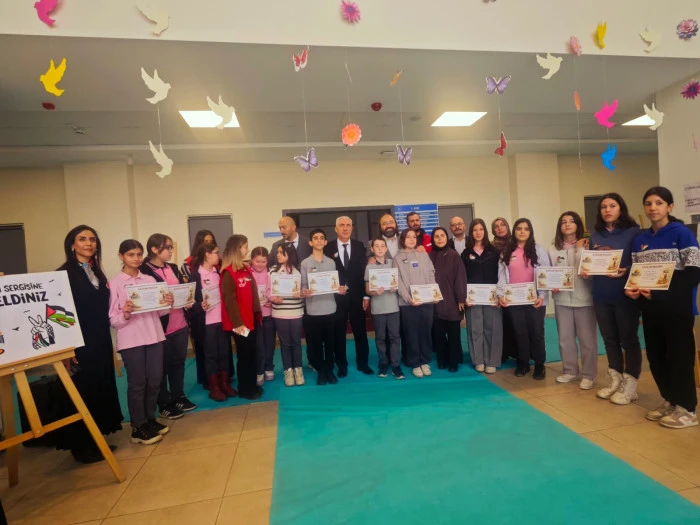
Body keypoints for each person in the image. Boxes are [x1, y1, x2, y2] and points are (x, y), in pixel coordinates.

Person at [626, 187, 700, 429]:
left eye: (659, 203)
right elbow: (637, 274)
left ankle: (687, 409)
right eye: (648, 203)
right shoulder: (640, 240)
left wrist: (661, 292)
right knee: (657, 358)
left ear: (670, 207)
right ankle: (670, 400)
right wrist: (632, 289)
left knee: (679, 358)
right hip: (651, 310)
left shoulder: (682, 234)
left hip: (677, 310)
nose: (653, 208)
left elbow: (694, 273)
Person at [56, 225, 123, 463]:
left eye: (92, 239)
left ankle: (96, 437)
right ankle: (81, 446)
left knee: (99, 386)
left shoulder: (96, 271)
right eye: (82, 239)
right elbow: (58, 314)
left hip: (100, 339)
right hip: (79, 344)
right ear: (72, 245)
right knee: (82, 389)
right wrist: (67, 348)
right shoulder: (63, 274)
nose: (88, 243)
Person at [109, 239, 174, 445]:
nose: (136, 258)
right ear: (121, 256)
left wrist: (167, 303)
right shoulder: (115, 283)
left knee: (154, 381)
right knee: (137, 384)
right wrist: (125, 313)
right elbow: (113, 319)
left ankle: (149, 419)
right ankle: (138, 427)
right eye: (131, 255)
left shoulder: (149, 279)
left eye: (138, 254)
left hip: (154, 336)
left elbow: (160, 312)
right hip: (131, 340)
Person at [586, 193, 642, 405]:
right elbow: (592, 262)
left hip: (625, 295)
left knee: (628, 339)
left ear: (621, 208)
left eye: (612, 206)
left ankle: (631, 384)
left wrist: (626, 269)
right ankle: (615, 379)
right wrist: (586, 269)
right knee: (609, 339)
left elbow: (640, 262)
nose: (607, 210)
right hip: (601, 294)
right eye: (603, 207)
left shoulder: (634, 233)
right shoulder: (595, 235)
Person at [140, 233, 197, 420]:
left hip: (179, 323)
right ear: (155, 249)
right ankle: (164, 403)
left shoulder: (172, 267)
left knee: (178, 363)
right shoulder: (144, 271)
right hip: (160, 327)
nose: (172, 251)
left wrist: (187, 299)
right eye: (168, 248)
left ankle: (178, 396)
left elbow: (180, 289)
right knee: (160, 368)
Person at [548, 212, 598, 390]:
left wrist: (579, 249)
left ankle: (588, 374)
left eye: (571, 221)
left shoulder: (588, 245)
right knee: (565, 339)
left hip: (584, 299)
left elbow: (589, 270)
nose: (567, 224)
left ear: (578, 225)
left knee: (587, 340)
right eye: (563, 222)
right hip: (561, 300)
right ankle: (570, 370)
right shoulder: (553, 249)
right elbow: (548, 272)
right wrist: (550, 284)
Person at [497, 218, 550, 380]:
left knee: (536, 332)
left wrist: (542, 295)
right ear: (514, 231)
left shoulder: (538, 250)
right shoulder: (507, 252)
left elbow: (545, 274)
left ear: (530, 232)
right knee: (520, 333)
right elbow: (502, 276)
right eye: (519, 228)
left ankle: (539, 365)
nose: (522, 231)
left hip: (535, 300)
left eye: (526, 229)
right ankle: (523, 363)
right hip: (515, 301)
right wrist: (501, 294)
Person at [324, 216, 373, 375]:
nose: (345, 228)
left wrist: (366, 296)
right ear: (336, 228)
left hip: (357, 296)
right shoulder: (328, 247)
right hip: (337, 297)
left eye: (348, 225)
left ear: (352, 228)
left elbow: (364, 271)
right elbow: (325, 273)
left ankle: (363, 363)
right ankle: (341, 365)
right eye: (342, 225)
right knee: (338, 332)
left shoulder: (359, 246)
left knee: (361, 331)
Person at [191, 242, 236, 402]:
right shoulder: (195, 275)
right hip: (206, 323)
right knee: (211, 356)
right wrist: (199, 305)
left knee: (224, 353)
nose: (219, 255)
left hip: (222, 320)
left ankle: (224, 383)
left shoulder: (219, 272)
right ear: (207, 254)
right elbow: (189, 301)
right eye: (216, 252)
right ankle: (214, 387)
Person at [301, 229, 347, 385]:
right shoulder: (305, 263)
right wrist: (305, 291)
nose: (319, 240)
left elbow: (333, 284)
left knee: (330, 342)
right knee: (316, 343)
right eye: (316, 238)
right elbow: (303, 286)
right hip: (313, 309)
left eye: (322, 238)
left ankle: (329, 370)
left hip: (329, 308)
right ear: (310, 242)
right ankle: (320, 371)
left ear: (326, 242)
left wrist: (340, 289)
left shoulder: (331, 262)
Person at [221, 235, 263, 400]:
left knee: (252, 354)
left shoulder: (245, 269)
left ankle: (251, 385)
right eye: (245, 246)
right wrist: (238, 324)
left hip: (251, 319)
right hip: (241, 323)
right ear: (237, 249)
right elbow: (229, 301)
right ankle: (245, 389)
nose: (247, 249)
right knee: (244, 356)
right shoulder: (228, 272)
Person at [394, 228, 437, 378]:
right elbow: (398, 281)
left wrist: (434, 293)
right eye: (408, 237)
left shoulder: (423, 254)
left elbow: (431, 274)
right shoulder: (397, 258)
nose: (412, 239)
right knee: (411, 334)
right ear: (402, 240)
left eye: (414, 237)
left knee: (425, 332)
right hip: (408, 304)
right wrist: (408, 298)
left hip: (427, 301)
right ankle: (414, 362)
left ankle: (425, 360)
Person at [462, 219, 502, 374]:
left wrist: (500, 294)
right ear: (471, 233)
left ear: (485, 231)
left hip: (492, 298)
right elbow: (462, 277)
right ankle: (478, 360)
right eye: (475, 230)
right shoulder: (466, 253)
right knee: (475, 329)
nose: (478, 232)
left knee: (492, 328)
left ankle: (492, 361)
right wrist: (464, 296)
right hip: (473, 299)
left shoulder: (494, 251)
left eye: (481, 229)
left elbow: (501, 274)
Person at [180, 229, 217, 389]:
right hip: (199, 313)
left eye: (211, 241)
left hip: (217, 314)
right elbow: (187, 293)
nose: (208, 244)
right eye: (205, 241)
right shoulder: (188, 265)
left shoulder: (217, 266)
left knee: (219, 349)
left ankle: (222, 377)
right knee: (204, 348)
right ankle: (207, 379)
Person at [364, 238, 404, 379]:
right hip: (378, 308)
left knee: (395, 337)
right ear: (372, 249)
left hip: (393, 308)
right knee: (380, 338)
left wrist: (395, 288)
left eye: (382, 246)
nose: (380, 248)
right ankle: (383, 363)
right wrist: (374, 292)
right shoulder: (369, 267)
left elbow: (400, 282)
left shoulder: (393, 263)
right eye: (377, 246)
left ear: (386, 249)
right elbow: (367, 289)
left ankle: (396, 364)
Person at [430, 227, 467, 372]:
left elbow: (460, 278)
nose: (440, 239)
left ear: (447, 237)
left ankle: (453, 362)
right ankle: (441, 360)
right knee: (438, 334)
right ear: (433, 239)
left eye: (442, 236)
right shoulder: (429, 256)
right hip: (435, 302)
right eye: (436, 236)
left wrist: (461, 299)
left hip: (452, 301)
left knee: (453, 335)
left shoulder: (454, 255)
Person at [269, 244, 305, 386]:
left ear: (290, 254)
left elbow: (305, 290)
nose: (278, 255)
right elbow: (268, 290)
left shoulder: (298, 270)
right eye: (277, 252)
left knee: (296, 342)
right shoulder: (272, 270)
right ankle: (288, 371)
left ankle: (298, 370)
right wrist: (273, 298)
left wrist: (301, 294)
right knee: (285, 343)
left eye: (281, 252)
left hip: (296, 312)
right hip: (280, 313)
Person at [250, 247, 276, 386]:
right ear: (251, 260)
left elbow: (274, 290)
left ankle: (268, 367)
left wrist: (271, 299)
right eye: (257, 261)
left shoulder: (271, 273)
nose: (260, 264)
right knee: (258, 345)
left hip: (269, 315)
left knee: (269, 344)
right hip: (255, 316)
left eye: (263, 261)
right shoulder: (248, 274)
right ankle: (259, 370)